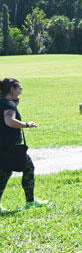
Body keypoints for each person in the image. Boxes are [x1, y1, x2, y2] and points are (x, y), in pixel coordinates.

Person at [0, 78, 46, 210]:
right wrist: (27, 124)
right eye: (19, 89)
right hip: (10, 147)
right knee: (28, 168)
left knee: (4, 174)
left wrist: (14, 104)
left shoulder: (3, 102)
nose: (20, 92)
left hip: (2, 146)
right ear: (12, 89)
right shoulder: (8, 104)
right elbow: (9, 121)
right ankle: (30, 201)